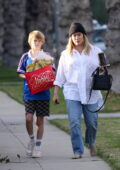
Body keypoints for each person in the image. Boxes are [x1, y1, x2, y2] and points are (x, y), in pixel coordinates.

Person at [53, 22, 103, 159]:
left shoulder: (96, 51)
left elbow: (104, 68)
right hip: (72, 92)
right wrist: (56, 93)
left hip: (91, 92)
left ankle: (91, 142)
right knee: (74, 122)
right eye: (74, 35)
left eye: (79, 34)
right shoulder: (65, 54)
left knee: (92, 123)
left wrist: (102, 69)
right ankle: (78, 150)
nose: (76, 37)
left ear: (84, 36)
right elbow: (60, 75)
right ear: (70, 37)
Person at [17, 30, 54, 158]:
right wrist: (28, 76)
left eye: (39, 41)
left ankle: (38, 147)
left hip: (43, 93)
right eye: (35, 40)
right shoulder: (25, 57)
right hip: (29, 92)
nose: (37, 43)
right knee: (28, 118)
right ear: (30, 42)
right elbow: (20, 72)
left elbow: (52, 72)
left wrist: (45, 70)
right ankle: (32, 140)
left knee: (39, 121)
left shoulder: (46, 56)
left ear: (42, 42)